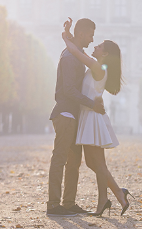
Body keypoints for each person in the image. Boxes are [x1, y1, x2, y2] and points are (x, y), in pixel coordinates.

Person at [61, 18, 133, 217]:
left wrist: (65, 38)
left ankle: (104, 201)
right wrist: (69, 35)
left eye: (99, 45)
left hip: (91, 118)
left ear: (105, 53)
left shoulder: (97, 67)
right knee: (94, 164)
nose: (95, 44)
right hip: (90, 116)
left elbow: (75, 52)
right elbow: (80, 51)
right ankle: (118, 194)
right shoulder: (97, 66)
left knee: (98, 164)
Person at [47, 18, 106, 217]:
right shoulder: (71, 58)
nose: (91, 40)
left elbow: (74, 46)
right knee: (60, 158)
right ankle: (54, 204)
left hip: (72, 115)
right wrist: (92, 105)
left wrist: (68, 34)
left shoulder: (76, 54)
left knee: (73, 162)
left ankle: (69, 202)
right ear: (82, 34)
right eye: (90, 35)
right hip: (65, 114)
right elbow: (69, 90)